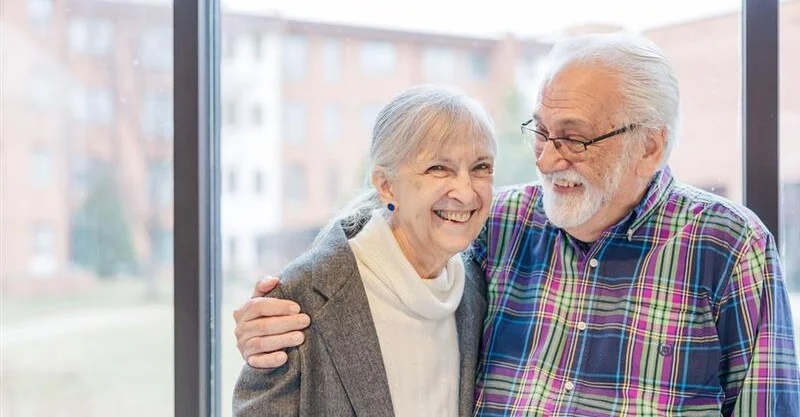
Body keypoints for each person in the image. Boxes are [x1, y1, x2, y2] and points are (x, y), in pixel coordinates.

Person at [234, 32, 800, 416]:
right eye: (543, 132)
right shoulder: (504, 221)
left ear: (650, 145)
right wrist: (299, 295)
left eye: (575, 139)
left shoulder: (728, 246)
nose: (550, 160)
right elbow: (400, 215)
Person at [232, 85, 498, 416]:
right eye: (438, 168)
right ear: (386, 185)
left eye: (481, 167)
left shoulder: (477, 289)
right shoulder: (303, 297)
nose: (466, 191)